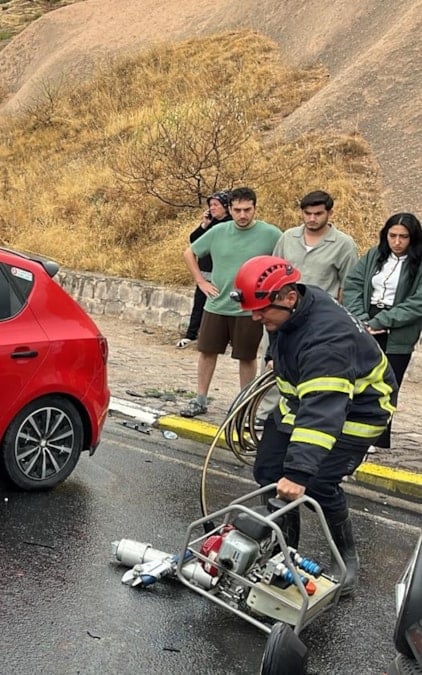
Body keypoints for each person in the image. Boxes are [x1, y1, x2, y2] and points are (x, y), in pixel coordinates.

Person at [234, 255, 395, 594]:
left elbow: (323, 413)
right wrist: (274, 356)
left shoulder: (327, 342)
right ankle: (283, 552)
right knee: (268, 471)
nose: (255, 317)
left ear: (289, 297)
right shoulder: (296, 305)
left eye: (261, 311)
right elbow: (284, 333)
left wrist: (297, 474)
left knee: (318, 484)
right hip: (301, 402)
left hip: (357, 413)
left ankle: (346, 561)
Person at [179, 186, 282, 418]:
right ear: (230, 209)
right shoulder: (219, 231)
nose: (242, 215)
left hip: (249, 309)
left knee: (246, 356)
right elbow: (189, 253)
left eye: (247, 210)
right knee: (207, 352)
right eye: (237, 210)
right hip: (216, 304)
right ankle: (200, 399)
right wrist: (201, 282)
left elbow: (283, 263)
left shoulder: (271, 234)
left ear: (255, 208)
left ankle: (244, 403)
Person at [343, 213, 422, 453]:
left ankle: (377, 436)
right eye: (392, 235)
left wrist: (383, 321)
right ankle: (349, 430)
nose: (397, 242)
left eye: (403, 237)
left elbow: (417, 302)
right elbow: (353, 284)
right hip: (367, 320)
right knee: (357, 378)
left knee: (387, 384)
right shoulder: (374, 256)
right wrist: (362, 318)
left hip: (398, 329)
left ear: (413, 238)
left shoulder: (418, 264)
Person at [272, 190, 359, 300]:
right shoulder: (288, 237)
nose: (312, 219)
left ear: (330, 213)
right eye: (307, 213)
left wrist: (340, 309)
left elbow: (348, 285)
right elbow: (274, 273)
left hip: (323, 306)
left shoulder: (344, 244)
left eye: (318, 214)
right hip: (288, 305)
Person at [177, 191, 232, 349]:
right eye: (211, 205)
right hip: (205, 271)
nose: (212, 208)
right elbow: (194, 241)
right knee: (199, 304)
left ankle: (224, 337)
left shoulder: (231, 225)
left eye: (216, 205)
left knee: (221, 305)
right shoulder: (211, 223)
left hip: (222, 272)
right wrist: (204, 225)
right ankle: (191, 334)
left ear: (226, 207)